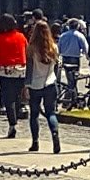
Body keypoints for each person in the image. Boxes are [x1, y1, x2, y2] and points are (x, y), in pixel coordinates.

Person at [25, 15, 63, 152]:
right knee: (51, 113)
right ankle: (55, 133)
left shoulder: (31, 48)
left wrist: (26, 86)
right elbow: (57, 66)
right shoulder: (54, 47)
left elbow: (29, 70)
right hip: (50, 83)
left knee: (34, 114)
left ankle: (35, 142)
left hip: (35, 84)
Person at [0, 15, 28, 127]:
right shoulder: (21, 36)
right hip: (20, 69)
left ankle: (12, 122)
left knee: (8, 97)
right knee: (18, 95)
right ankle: (17, 114)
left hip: (4, 70)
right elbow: (27, 51)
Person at [57, 18, 88, 96]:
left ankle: (71, 94)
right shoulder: (79, 35)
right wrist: (86, 54)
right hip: (75, 58)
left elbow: (59, 47)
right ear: (77, 26)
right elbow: (85, 47)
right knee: (75, 78)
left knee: (69, 78)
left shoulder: (63, 35)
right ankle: (73, 95)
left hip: (65, 58)